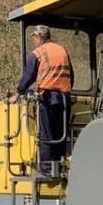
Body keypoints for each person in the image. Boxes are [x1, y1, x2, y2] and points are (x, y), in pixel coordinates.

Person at [10, 25, 73, 175]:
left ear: (39, 38)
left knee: (46, 133)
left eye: (34, 38)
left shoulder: (37, 53)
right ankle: (60, 165)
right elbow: (71, 75)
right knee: (61, 132)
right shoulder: (62, 50)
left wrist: (18, 93)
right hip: (64, 97)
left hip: (48, 97)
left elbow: (28, 75)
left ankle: (46, 168)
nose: (34, 41)